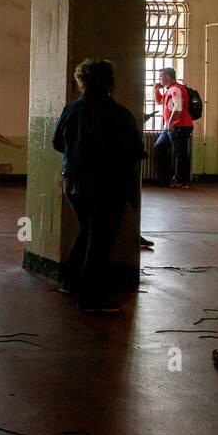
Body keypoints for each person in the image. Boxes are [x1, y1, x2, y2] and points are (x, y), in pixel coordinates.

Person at [51, 58, 146, 313]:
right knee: (100, 240)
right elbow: (134, 152)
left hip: (73, 183)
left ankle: (70, 281)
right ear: (111, 84)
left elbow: (57, 143)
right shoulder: (119, 114)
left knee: (89, 230)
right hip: (106, 185)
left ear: (81, 83)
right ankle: (91, 298)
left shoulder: (70, 110)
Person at [153, 67, 194, 188]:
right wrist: (156, 89)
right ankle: (172, 177)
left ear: (168, 77)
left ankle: (183, 181)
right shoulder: (170, 89)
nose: (160, 79)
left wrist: (170, 123)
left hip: (179, 126)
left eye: (161, 77)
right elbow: (160, 101)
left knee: (181, 153)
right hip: (170, 126)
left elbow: (178, 107)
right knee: (159, 147)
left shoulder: (177, 88)